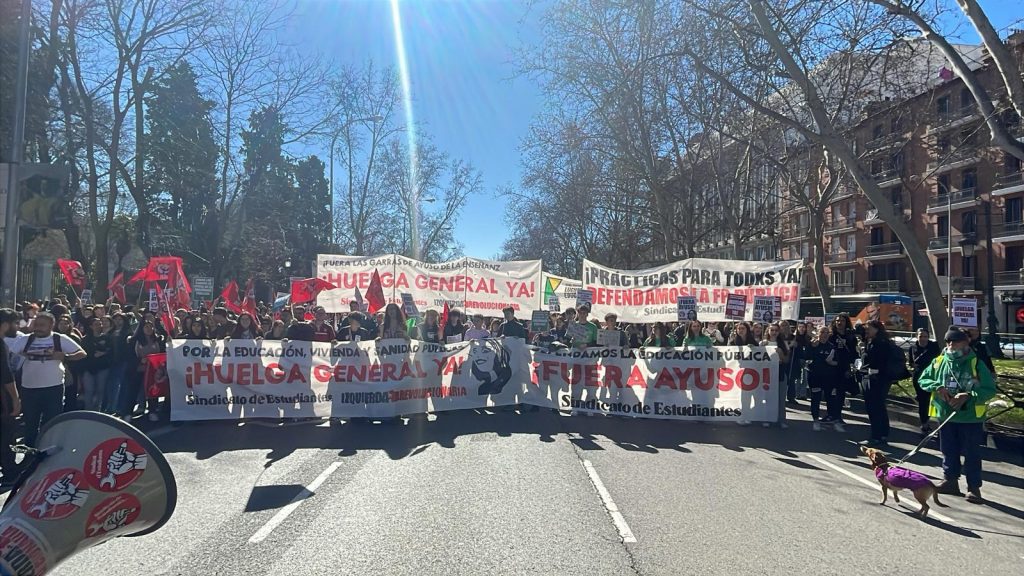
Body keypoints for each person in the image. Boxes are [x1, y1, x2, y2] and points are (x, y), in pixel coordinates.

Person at [918, 327, 996, 503]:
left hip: (970, 418)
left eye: (955, 341)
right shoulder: (939, 361)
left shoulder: (976, 363)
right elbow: (923, 379)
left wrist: (968, 395)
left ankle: (973, 488)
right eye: (948, 341)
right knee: (948, 450)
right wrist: (937, 387)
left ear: (965, 343)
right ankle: (950, 481)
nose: (951, 345)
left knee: (971, 453)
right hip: (946, 416)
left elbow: (989, 390)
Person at [8, 312, 86, 446]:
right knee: (30, 423)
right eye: (36, 325)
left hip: (53, 388)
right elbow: (11, 356)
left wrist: (65, 357)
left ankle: (47, 448)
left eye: (42, 325)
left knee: (51, 422)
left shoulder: (59, 339)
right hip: (29, 388)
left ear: (51, 325)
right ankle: (30, 450)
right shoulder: (25, 339)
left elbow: (82, 354)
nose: (38, 328)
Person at [858, 320, 896, 446]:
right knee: (879, 407)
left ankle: (876, 436)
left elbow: (872, 361)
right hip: (876, 378)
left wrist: (864, 351)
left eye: (869, 328)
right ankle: (883, 434)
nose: (867, 330)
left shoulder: (879, 344)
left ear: (876, 329)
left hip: (875, 378)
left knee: (874, 407)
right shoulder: (873, 342)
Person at [805, 326, 844, 432]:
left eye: (827, 332)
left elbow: (838, 362)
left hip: (829, 377)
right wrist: (812, 347)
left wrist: (831, 362)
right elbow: (806, 357)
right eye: (822, 332)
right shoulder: (812, 344)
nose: (825, 334)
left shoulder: (832, 347)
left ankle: (832, 419)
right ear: (818, 333)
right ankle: (816, 420)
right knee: (816, 398)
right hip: (815, 376)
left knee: (830, 398)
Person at [1, 309, 23, 487]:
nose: (17, 327)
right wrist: (15, 399)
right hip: (2, 397)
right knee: (6, 433)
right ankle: (10, 472)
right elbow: (6, 375)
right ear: (5, 324)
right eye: (15, 323)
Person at [908, 328, 941, 434]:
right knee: (923, 402)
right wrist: (913, 366)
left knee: (935, 401)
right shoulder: (912, 347)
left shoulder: (934, 346)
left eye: (925, 336)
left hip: (933, 377)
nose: (923, 339)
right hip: (919, 377)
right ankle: (924, 424)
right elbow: (911, 362)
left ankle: (939, 425)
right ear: (917, 336)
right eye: (920, 336)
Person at [80, 317, 114, 411]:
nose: (99, 326)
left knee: (100, 390)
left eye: (100, 324)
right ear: (91, 326)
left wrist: (103, 353)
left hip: (102, 367)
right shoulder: (86, 339)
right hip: (89, 368)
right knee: (89, 390)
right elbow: (83, 353)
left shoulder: (106, 338)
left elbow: (111, 351)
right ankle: (88, 410)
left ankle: (97, 410)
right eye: (96, 324)